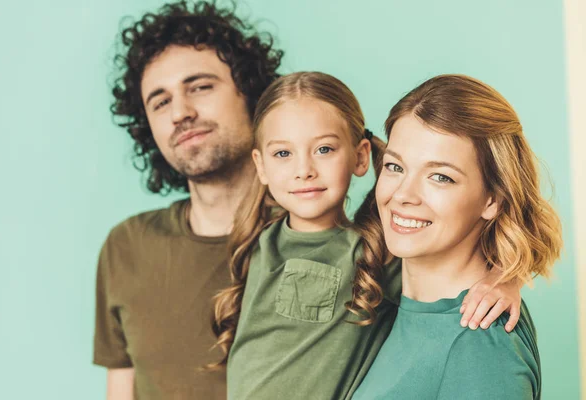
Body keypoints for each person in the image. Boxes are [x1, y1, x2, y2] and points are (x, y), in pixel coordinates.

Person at [212, 72, 526, 400]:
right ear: (260, 166)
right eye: (283, 154)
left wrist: (505, 278)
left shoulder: (373, 251)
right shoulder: (260, 240)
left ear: (361, 156)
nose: (303, 170)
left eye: (323, 149)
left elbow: (452, 268)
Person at [92, 1, 283, 399]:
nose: (180, 112)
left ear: (250, 92)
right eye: (160, 102)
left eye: (200, 86)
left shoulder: (322, 240)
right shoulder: (125, 247)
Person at [353, 74, 563, 400]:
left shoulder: (479, 346)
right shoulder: (386, 298)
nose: (404, 195)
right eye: (395, 167)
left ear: (492, 199)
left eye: (440, 177)